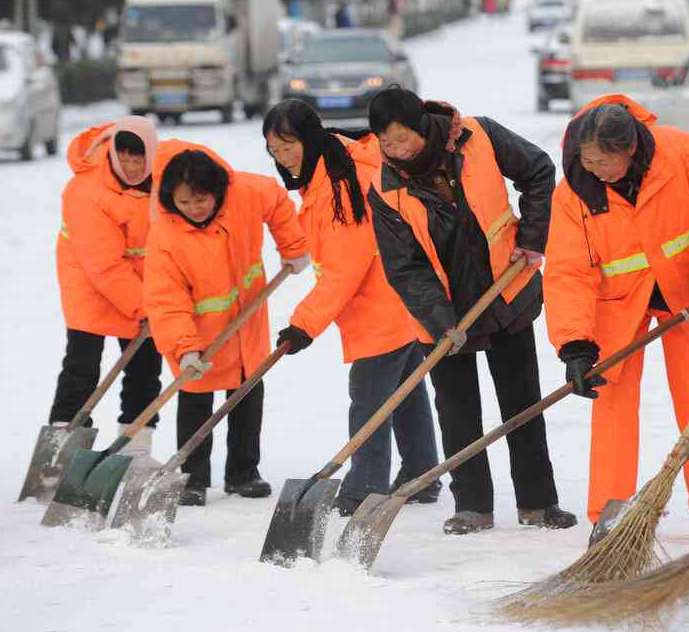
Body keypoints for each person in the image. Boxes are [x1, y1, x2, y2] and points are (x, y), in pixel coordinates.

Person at [366, 87, 575, 535]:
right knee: (458, 411)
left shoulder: (479, 135)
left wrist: (533, 237)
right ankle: (472, 506)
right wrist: (441, 322)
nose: (398, 151)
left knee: (522, 402)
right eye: (387, 144)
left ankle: (538, 502)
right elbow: (404, 266)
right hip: (444, 314)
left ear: (424, 127)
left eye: (404, 140)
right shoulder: (384, 188)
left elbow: (538, 170)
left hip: (506, 293)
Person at [543, 96, 689, 539]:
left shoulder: (680, 153)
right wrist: (575, 345)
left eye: (605, 161)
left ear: (630, 149)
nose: (596, 170)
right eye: (588, 161)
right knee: (612, 403)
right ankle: (610, 515)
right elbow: (568, 269)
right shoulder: (573, 191)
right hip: (617, 302)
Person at [263, 100, 441, 516]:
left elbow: (346, 267)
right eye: (275, 150)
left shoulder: (340, 187)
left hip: (382, 303)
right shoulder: (331, 167)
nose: (284, 158)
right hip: (395, 300)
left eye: (289, 146)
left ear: (309, 138)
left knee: (369, 398)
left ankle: (363, 491)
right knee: (406, 389)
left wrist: (303, 324)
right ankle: (421, 474)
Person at [143, 140, 308, 507]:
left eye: (201, 200)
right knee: (196, 404)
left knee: (247, 397)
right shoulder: (166, 237)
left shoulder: (246, 193)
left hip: (247, 324)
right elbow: (166, 302)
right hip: (197, 337)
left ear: (218, 191)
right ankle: (191, 477)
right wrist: (184, 349)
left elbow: (279, 204)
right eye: (183, 202)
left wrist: (293, 246)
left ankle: (243, 472)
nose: (194, 210)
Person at [48, 117, 163, 458]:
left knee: (145, 367)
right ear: (112, 154)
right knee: (82, 366)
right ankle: (62, 452)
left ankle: (135, 451)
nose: (130, 168)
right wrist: (146, 308)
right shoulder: (85, 190)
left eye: (138, 159)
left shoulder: (166, 178)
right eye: (123, 159)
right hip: (89, 281)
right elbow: (104, 264)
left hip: (141, 282)